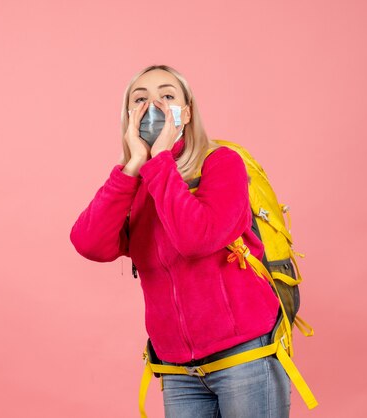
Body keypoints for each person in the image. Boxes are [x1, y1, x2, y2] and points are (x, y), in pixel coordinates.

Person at [69, 64, 291, 417]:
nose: (152, 106)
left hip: (245, 357)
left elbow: (196, 239)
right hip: (178, 371)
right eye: (140, 99)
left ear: (185, 113)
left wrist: (159, 162)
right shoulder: (137, 182)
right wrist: (132, 167)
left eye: (167, 96)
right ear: (128, 115)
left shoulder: (221, 163)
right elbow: (90, 243)